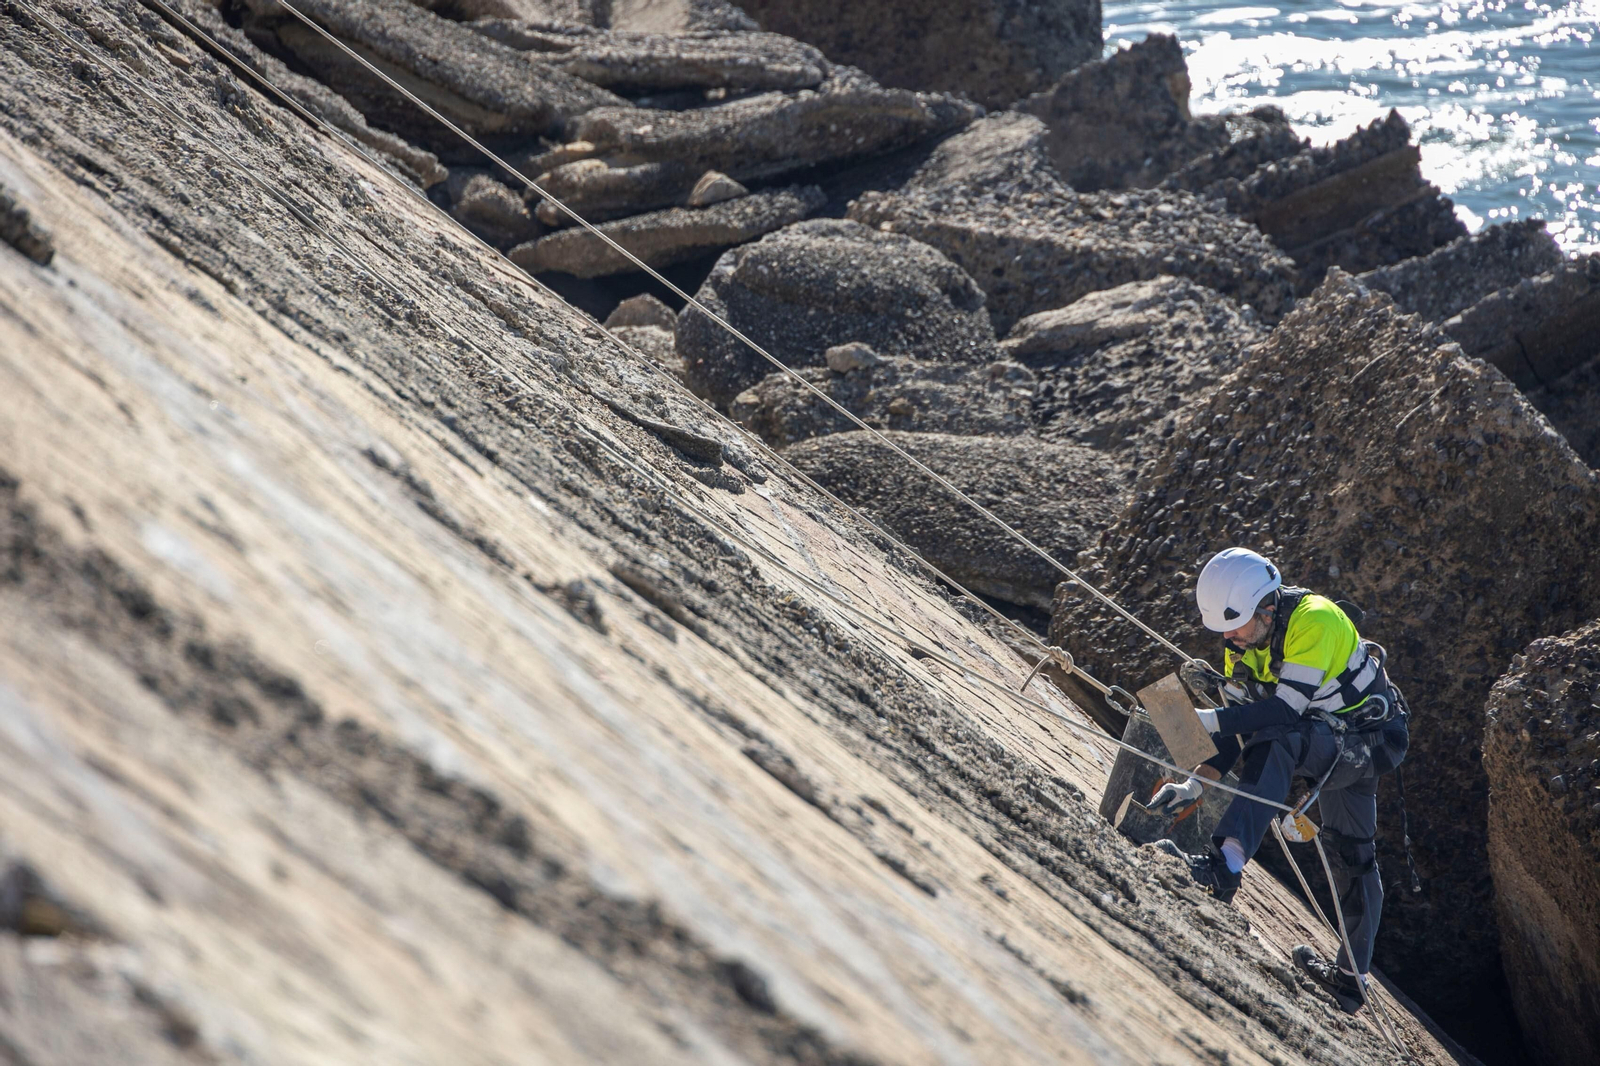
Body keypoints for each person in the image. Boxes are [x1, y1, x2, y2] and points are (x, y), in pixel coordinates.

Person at [1149, 547, 1410, 1014]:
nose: (1231, 637)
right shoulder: (1243, 644)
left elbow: (1282, 712)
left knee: (1283, 742)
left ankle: (1224, 867)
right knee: (1352, 853)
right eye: (1225, 630)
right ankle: (1351, 982)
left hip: (1369, 741)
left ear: (1268, 605)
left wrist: (1207, 719)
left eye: (1239, 624)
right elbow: (1234, 728)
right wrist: (1193, 786)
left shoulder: (1317, 620)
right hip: (1333, 738)